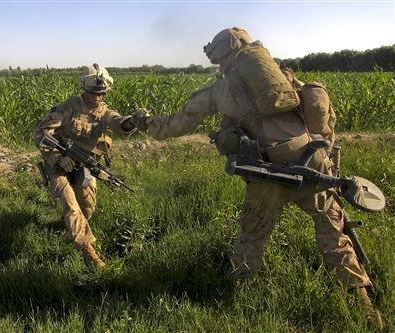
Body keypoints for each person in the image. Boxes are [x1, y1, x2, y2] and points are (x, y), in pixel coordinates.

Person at [132, 27, 383, 327]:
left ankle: (239, 294)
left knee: (252, 236)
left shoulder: (218, 91)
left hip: (269, 169)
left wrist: (145, 122)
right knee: (333, 234)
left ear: (220, 58)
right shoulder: (282, 77)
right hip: (313, 160)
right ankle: (363, 303)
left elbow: (175, 124)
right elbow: (320, 112)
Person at [33, 64, 138, 270]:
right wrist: (57, 158)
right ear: (84, 89)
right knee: (71, 203)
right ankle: (89, 252)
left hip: (85, 163)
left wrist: (134, 120)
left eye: (101, 93)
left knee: (87, 208)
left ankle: (73, 225)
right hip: (61, 163)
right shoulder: (68, 107)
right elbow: (40, 133)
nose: (97, 97)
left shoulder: (104, 111)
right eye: (92, 93)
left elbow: (120, 124)